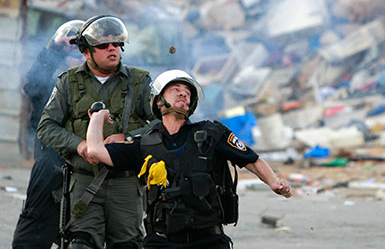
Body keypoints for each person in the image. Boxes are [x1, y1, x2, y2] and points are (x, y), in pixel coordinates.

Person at [86, 69, 292, 249]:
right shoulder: (144, 144)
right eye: (176, 89)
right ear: (159, 100)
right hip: (161, 240)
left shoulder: (212, 133)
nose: (183, 94)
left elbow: (251, 159)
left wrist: (274, 182)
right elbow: (95, 151)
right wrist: (98, 117)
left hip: (209, 240)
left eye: (187, 93)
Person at [37, 15, 157, 249]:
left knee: (127, 244)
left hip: (126, 181)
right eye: (103, 45)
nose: (112, 49)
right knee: (81, 243)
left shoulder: (140, 82)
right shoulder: (68, 82)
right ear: (86, 52)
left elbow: (162, 124)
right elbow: (46, 127)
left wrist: (129, 138)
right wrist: (79, 145)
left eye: (116, 44)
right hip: (83, 180)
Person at [13, 19, 85, 249]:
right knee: (29, 240)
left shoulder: (101, 84)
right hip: (50, 170)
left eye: (84, 49)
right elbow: (32, 85)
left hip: (87, 174)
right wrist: (54, 50)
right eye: (73, 50)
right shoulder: (49, 85)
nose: (80, 56)